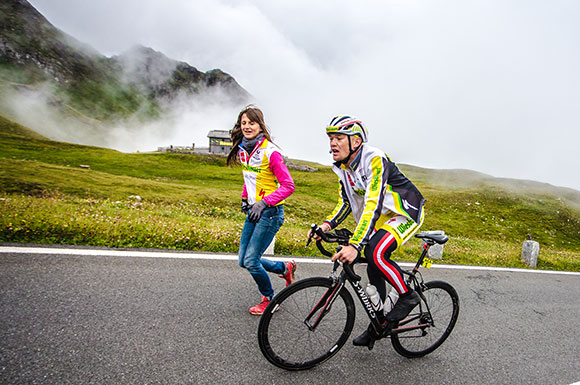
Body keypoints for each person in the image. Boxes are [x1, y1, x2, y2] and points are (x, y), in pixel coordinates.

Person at [310, 115, 426, 346]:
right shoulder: (343, 168)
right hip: (382, 218)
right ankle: (379, 323)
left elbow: (372, 203)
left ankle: (407, 295)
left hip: (404, 212)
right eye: (331, 138)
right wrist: (326, 224)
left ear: (355, 141)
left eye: (339, 138)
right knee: (374, 269)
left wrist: (355, 244)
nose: (333, 143)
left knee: (375, 252)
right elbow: (346, 202)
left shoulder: (374, 159)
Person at [227, 105, 297, 315]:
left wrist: (263, 202)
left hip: (270, 213)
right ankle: (285, 268)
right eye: (244, 123)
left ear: (260, 125)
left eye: (252, 123)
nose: (247, 127)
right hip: (254, 211)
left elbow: (288, 186)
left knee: (251, 261)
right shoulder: (243, 149)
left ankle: (270, 299)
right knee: (243, 260)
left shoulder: (271, 152)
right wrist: (245, 198)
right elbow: (249, 178)